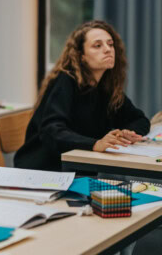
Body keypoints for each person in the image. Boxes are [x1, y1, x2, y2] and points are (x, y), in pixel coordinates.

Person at [14, 20, 150, 171]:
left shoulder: (106, 86)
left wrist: (127, 133)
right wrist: (94, 144)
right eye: (97, 46)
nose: (107, 50)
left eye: (110, 44)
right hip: (46, 168)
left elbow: (140, 119)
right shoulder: (65, 80)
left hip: (82, 165)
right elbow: (52, 131)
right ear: (81, 56)